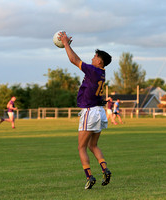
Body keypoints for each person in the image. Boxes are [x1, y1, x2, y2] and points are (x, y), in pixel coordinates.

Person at [59, 31, 112, 189]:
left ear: (100, 62)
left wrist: (65, 44)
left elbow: (73, 60)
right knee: (93, 145)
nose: (92, 58)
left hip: (90, 112)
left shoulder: (94, 70)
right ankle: (105, 169)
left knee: (81, 147)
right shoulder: (101, 73)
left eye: (95, 57)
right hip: (98, 111)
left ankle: (89, 177)